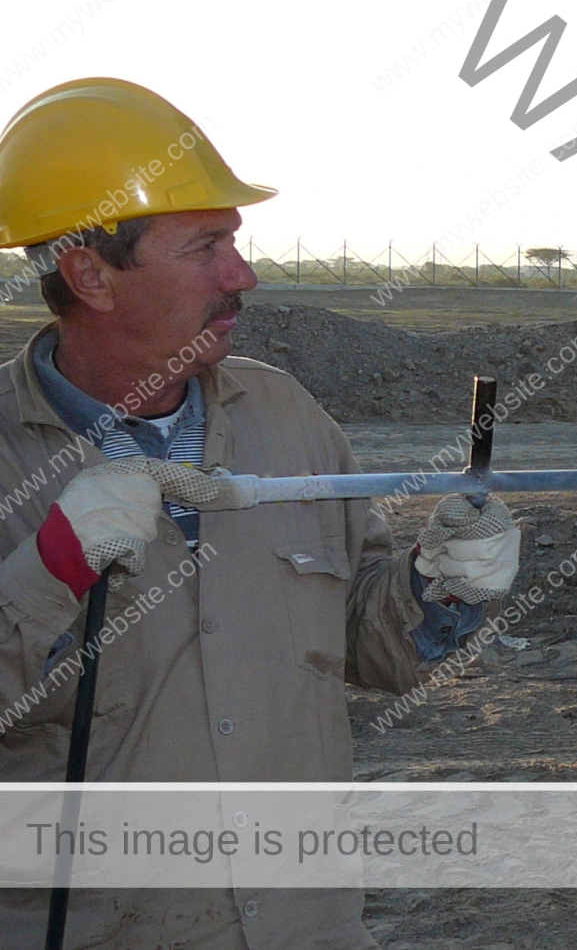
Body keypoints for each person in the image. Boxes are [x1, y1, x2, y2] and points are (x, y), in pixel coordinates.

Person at [0, 77, 522, 948]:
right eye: (205, 246)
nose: (244, 274)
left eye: (234, 241)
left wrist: (441, 591)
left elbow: (366, 642)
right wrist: (50, 572)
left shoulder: (287, 418)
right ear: (88, 273)